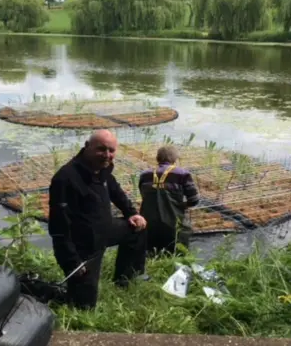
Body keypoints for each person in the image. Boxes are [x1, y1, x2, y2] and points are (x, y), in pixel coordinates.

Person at [47, 129, 149, 310]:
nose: (107, 155)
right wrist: (72, 262)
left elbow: (115, 190)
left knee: (138, 229)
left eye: (111, 150)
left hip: (105, 230)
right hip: (84, 246)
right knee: (84, 307)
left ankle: (125, 280)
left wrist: (131, 213)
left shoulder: (102, 169)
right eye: (101, 149)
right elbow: (58, 227)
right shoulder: (65, 178)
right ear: (87, 147)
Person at [138, 145, 200, 256]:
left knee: (152, 254)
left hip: (149, 222)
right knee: (176, 253)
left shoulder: (145, 175)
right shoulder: (182, 174)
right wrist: (181, 206)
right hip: (173, 222)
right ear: (175, 158)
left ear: (157, 158)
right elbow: (194, 199)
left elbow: (144, 196)